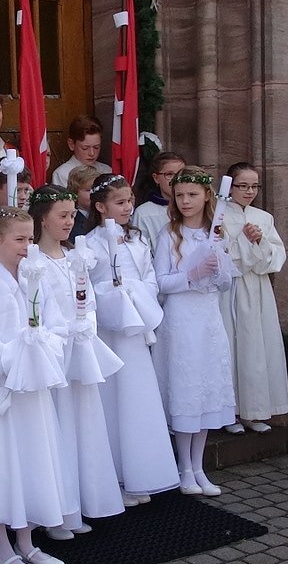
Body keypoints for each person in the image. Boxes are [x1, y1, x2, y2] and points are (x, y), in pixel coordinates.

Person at [0, 206, 72, 564]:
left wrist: (41, 346)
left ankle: (26, 542)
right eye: (20, 239)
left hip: (32, 390)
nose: (28, 246)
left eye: (30, 239)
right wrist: (14, 357)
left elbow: (57, 325)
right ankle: (2, 547)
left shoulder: (35, 279)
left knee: (29, 460)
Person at [27, 186, 125, 541]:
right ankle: (58, 511)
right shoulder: (34, 262)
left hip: (80, 353)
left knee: (84, 425)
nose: (70, 222)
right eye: (63, 216)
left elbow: (88, 299)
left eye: (72, 215)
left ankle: (87, 499)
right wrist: (64, 332)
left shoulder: (74, 257)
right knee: (60, 428)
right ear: (42, 219)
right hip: (56, 356)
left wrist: (87, 325)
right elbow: (37, 310)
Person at [85, 174, 180, 506]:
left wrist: (138, 295)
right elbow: (88, 286)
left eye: (130, 201)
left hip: (136, 328)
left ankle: (141, 473)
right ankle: (115, 476)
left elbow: (149, 276)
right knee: (113, 400)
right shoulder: (91, 244)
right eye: (120, 202)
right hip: (110, 331)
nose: (128, 207)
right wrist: (114, 296)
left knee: (137, 398)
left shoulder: (137, 239)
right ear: (101, 207)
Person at [152, 166, 238, 497]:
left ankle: (199, 467)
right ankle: (184, 467)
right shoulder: (169, 235)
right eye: (179, 195)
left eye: (192, 195)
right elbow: (160, 282)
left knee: (205, 391)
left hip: (207, 319)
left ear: (206, 196)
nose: (185, 201)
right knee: (186, 390)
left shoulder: (216, 233)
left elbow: (226, 282)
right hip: (181, 321)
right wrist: (192, 273)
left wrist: (217, 268)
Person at [218, 162, 288, 435]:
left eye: (254, 186)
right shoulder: (218, 214)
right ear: (230, 186)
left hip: (258, 289)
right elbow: (222, 256)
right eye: (243, 186)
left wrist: (260, 242)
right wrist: (245, 241)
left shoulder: (263, 217)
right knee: (231, 348)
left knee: (256, 350)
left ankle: (253, 410)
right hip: (231, 290)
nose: (249, 191)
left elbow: (276, 257)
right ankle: (229, 412)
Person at [133, 151, 186, 248]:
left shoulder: (194, 206)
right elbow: (139, 249)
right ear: (156, 178)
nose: (176, 179)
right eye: (169, 174)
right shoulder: (144, 213)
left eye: (181, 174)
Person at [50, 115, 113, 188]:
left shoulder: (107, 170)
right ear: (71, 144)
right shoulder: (62, 174)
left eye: (96, 147)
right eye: (85, 148)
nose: (92, 153)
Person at [66, 165, 101, 240]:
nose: (94, 194)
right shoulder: (73, 223)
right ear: (75, 192)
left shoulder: (102, 216)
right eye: (88, 190)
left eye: (96, 189)